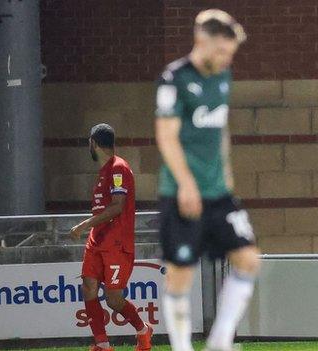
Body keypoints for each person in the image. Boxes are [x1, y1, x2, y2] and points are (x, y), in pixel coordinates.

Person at [154, 9, 261, 351]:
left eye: (230, 53)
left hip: (218, 193)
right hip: (181, 192)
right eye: (221, 51)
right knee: (180, 273)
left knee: (248, 258)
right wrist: (185, 183)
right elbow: (166, 136)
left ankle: (219, 341)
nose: (226, 58)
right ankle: (182, 347)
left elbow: (221, 127)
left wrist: (226, 173)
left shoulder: (223, 75)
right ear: (201, 41)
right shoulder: (174, 78)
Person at [70, 123, 152, 351]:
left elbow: (118, 207)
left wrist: (85, 224)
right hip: (97, 241)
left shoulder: (119, 169)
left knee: (113, 299)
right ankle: (103, 344)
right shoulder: (103, 172)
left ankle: (144, 330)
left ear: (93, 143)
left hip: (116, 244)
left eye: (89, 142)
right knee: (88, 286)